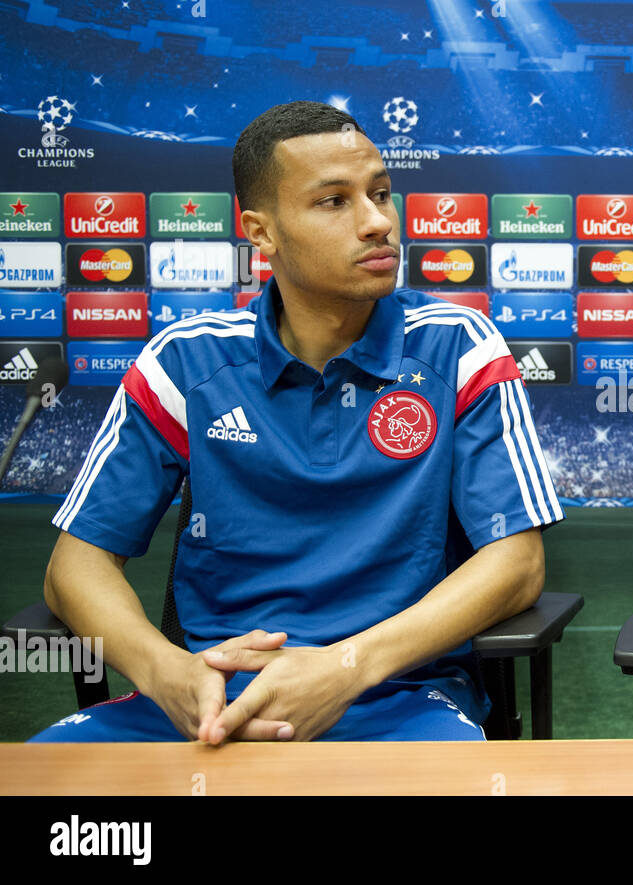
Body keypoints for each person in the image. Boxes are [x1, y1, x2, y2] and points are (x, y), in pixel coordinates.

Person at [33, 101, 563, 744]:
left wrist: (344, 668)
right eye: (334, 202)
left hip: (396, 698)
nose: (377, 223)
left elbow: (518, 564)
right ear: (261, 232)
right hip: (207, 704)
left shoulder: (460, 347)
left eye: (381, 194)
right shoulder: (185, 359)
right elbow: (75, 566)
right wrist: (167, 673)